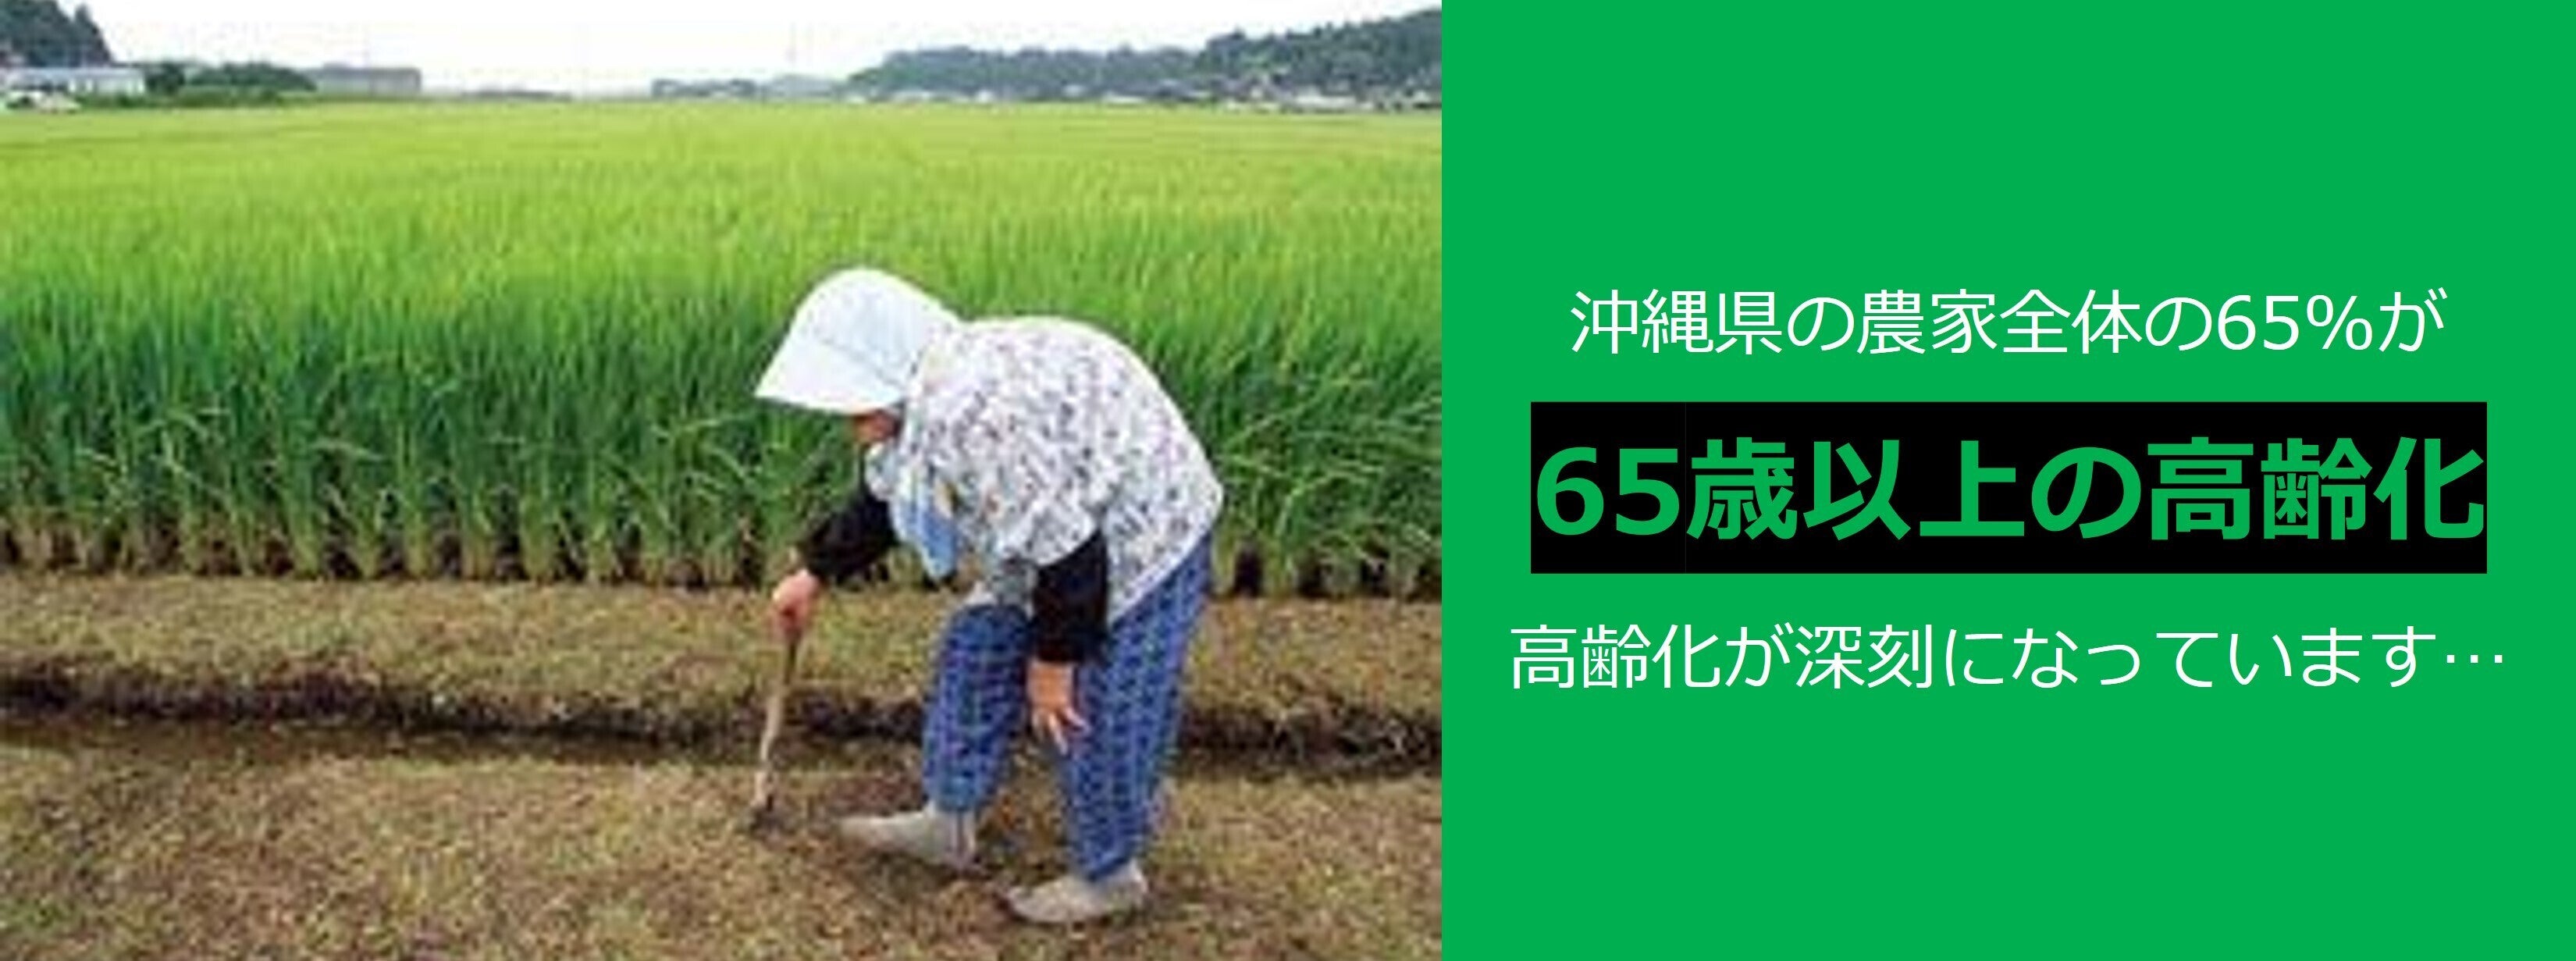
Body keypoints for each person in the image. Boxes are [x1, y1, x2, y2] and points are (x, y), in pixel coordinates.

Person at [754, 267, 1222, 925]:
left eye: (851, 396)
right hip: (1062, 529)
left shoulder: (971, 411)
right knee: (974, 650)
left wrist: (1051, 670)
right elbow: (886, 499)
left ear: (884, 364)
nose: (845, 416)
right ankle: (948, 822)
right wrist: (814, 573)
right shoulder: (913, 400)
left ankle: (1111, 874)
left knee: (1102, 706)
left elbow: (1072, 555)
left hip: (1145, 529)